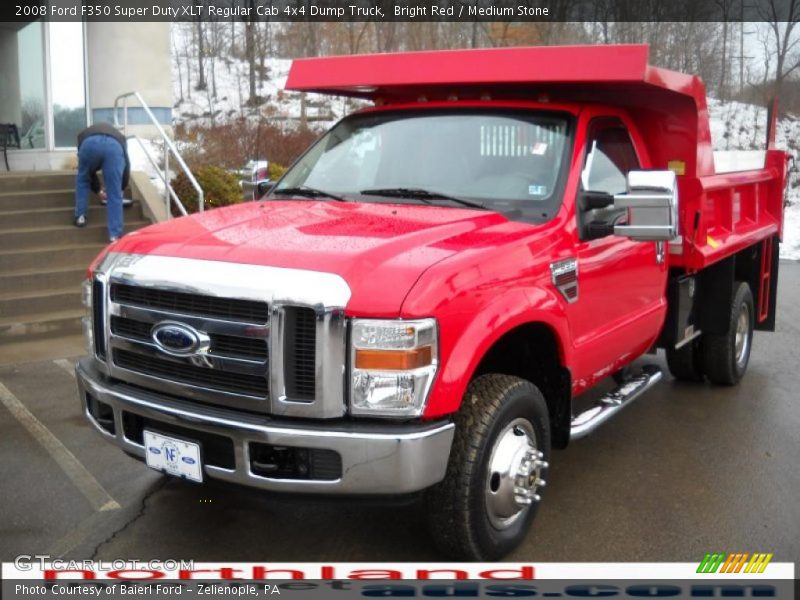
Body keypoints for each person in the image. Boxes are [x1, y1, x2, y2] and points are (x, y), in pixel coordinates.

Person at [73, 122, 131, 242]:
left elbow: (89, 174)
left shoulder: (83, 135)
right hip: (114, 147)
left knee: (83, 178)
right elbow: (126, 166)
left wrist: (98, 190)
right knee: (114, 192)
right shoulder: (120, 137)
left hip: (89, 144)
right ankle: (114, 235)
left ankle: (81, 216)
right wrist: (121, 187)